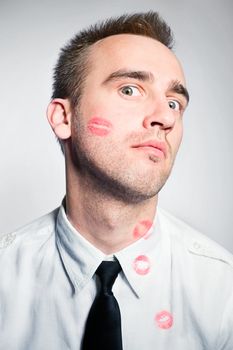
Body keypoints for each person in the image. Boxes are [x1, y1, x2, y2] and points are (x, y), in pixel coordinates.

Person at [0, 11, 233, 350]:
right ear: (64, 118)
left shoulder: (223, 293)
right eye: (129, 89)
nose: (165, 117)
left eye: (174, 102)